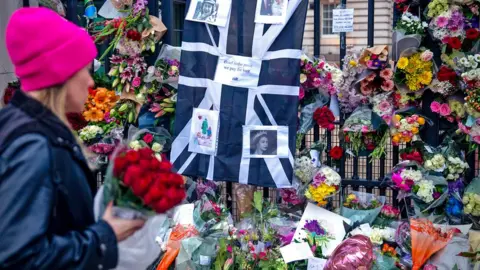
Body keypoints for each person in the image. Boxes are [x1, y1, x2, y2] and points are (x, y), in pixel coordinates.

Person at [0, 8, 145, 269]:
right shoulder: (32, 145)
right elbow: (19, 257)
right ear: (61, 73)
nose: (91, 82)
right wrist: (105, 235)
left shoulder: (28, 128)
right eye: (84, 69)